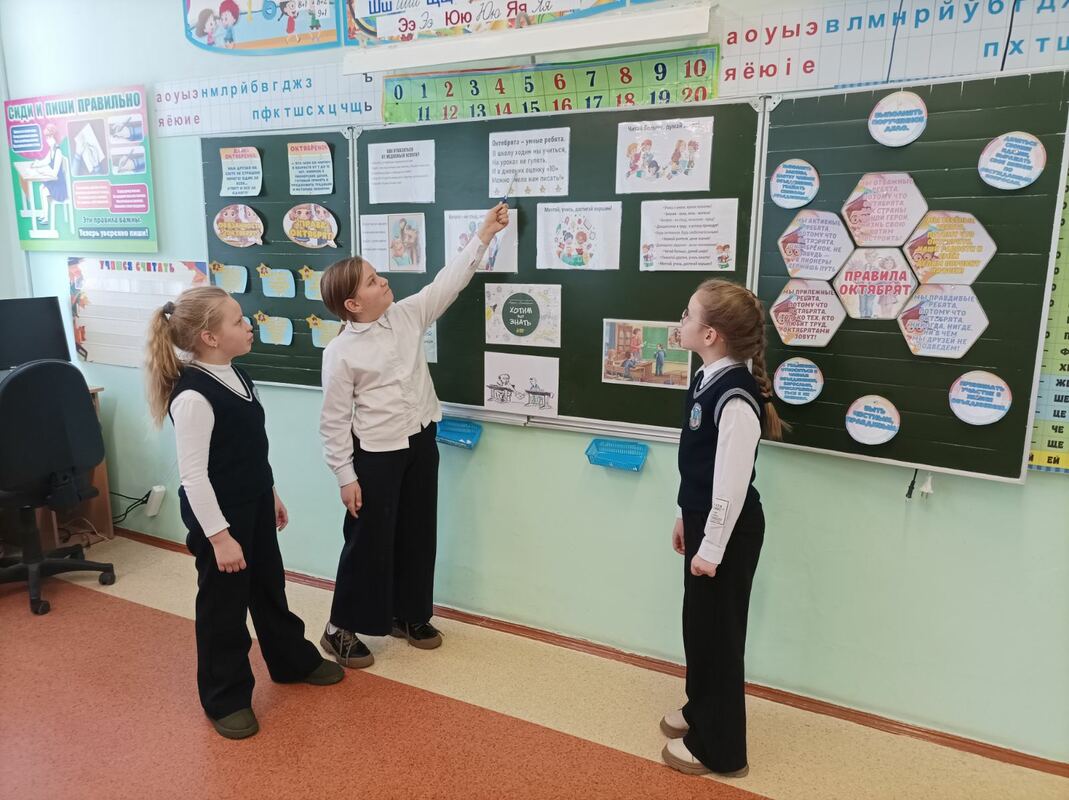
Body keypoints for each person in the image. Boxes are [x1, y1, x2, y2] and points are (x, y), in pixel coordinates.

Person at [317, 203, 510, 668]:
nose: (383, 281)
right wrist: (345, 476)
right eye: (371, 281)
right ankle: (339, 628)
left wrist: (483, 234)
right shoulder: (340, 353)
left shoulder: (407, 315)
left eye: (377, 274)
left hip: (421, 441)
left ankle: (408, 615)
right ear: (353, 304)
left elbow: (448, 281)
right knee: (368, 540)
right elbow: (334, 421)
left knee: (419, 532)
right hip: (376, 455)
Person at [146, 286, 343, 740]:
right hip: (218, 517)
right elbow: (194, 477)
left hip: (253, 501)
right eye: (237, 320)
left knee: (268, 587)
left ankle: (290, 661)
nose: (248, 324)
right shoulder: (193, 397)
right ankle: (226, 698)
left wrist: (270, 492)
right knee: (224, 607)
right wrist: (219, 537)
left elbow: (250, 449)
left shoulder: (238, 374)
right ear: (210, 337)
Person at [660, 279, 786, 777]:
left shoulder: (734, 397)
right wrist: (682, 514)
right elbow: (698, 466)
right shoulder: (706, 378)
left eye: (687, 314)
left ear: (710, 334)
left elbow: (730, 486)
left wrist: (711, 546)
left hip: (728, 532)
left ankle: (721, 749)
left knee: (720, 638)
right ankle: (699, 710)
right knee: (699, 628)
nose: (681, 321)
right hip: (703, 520)